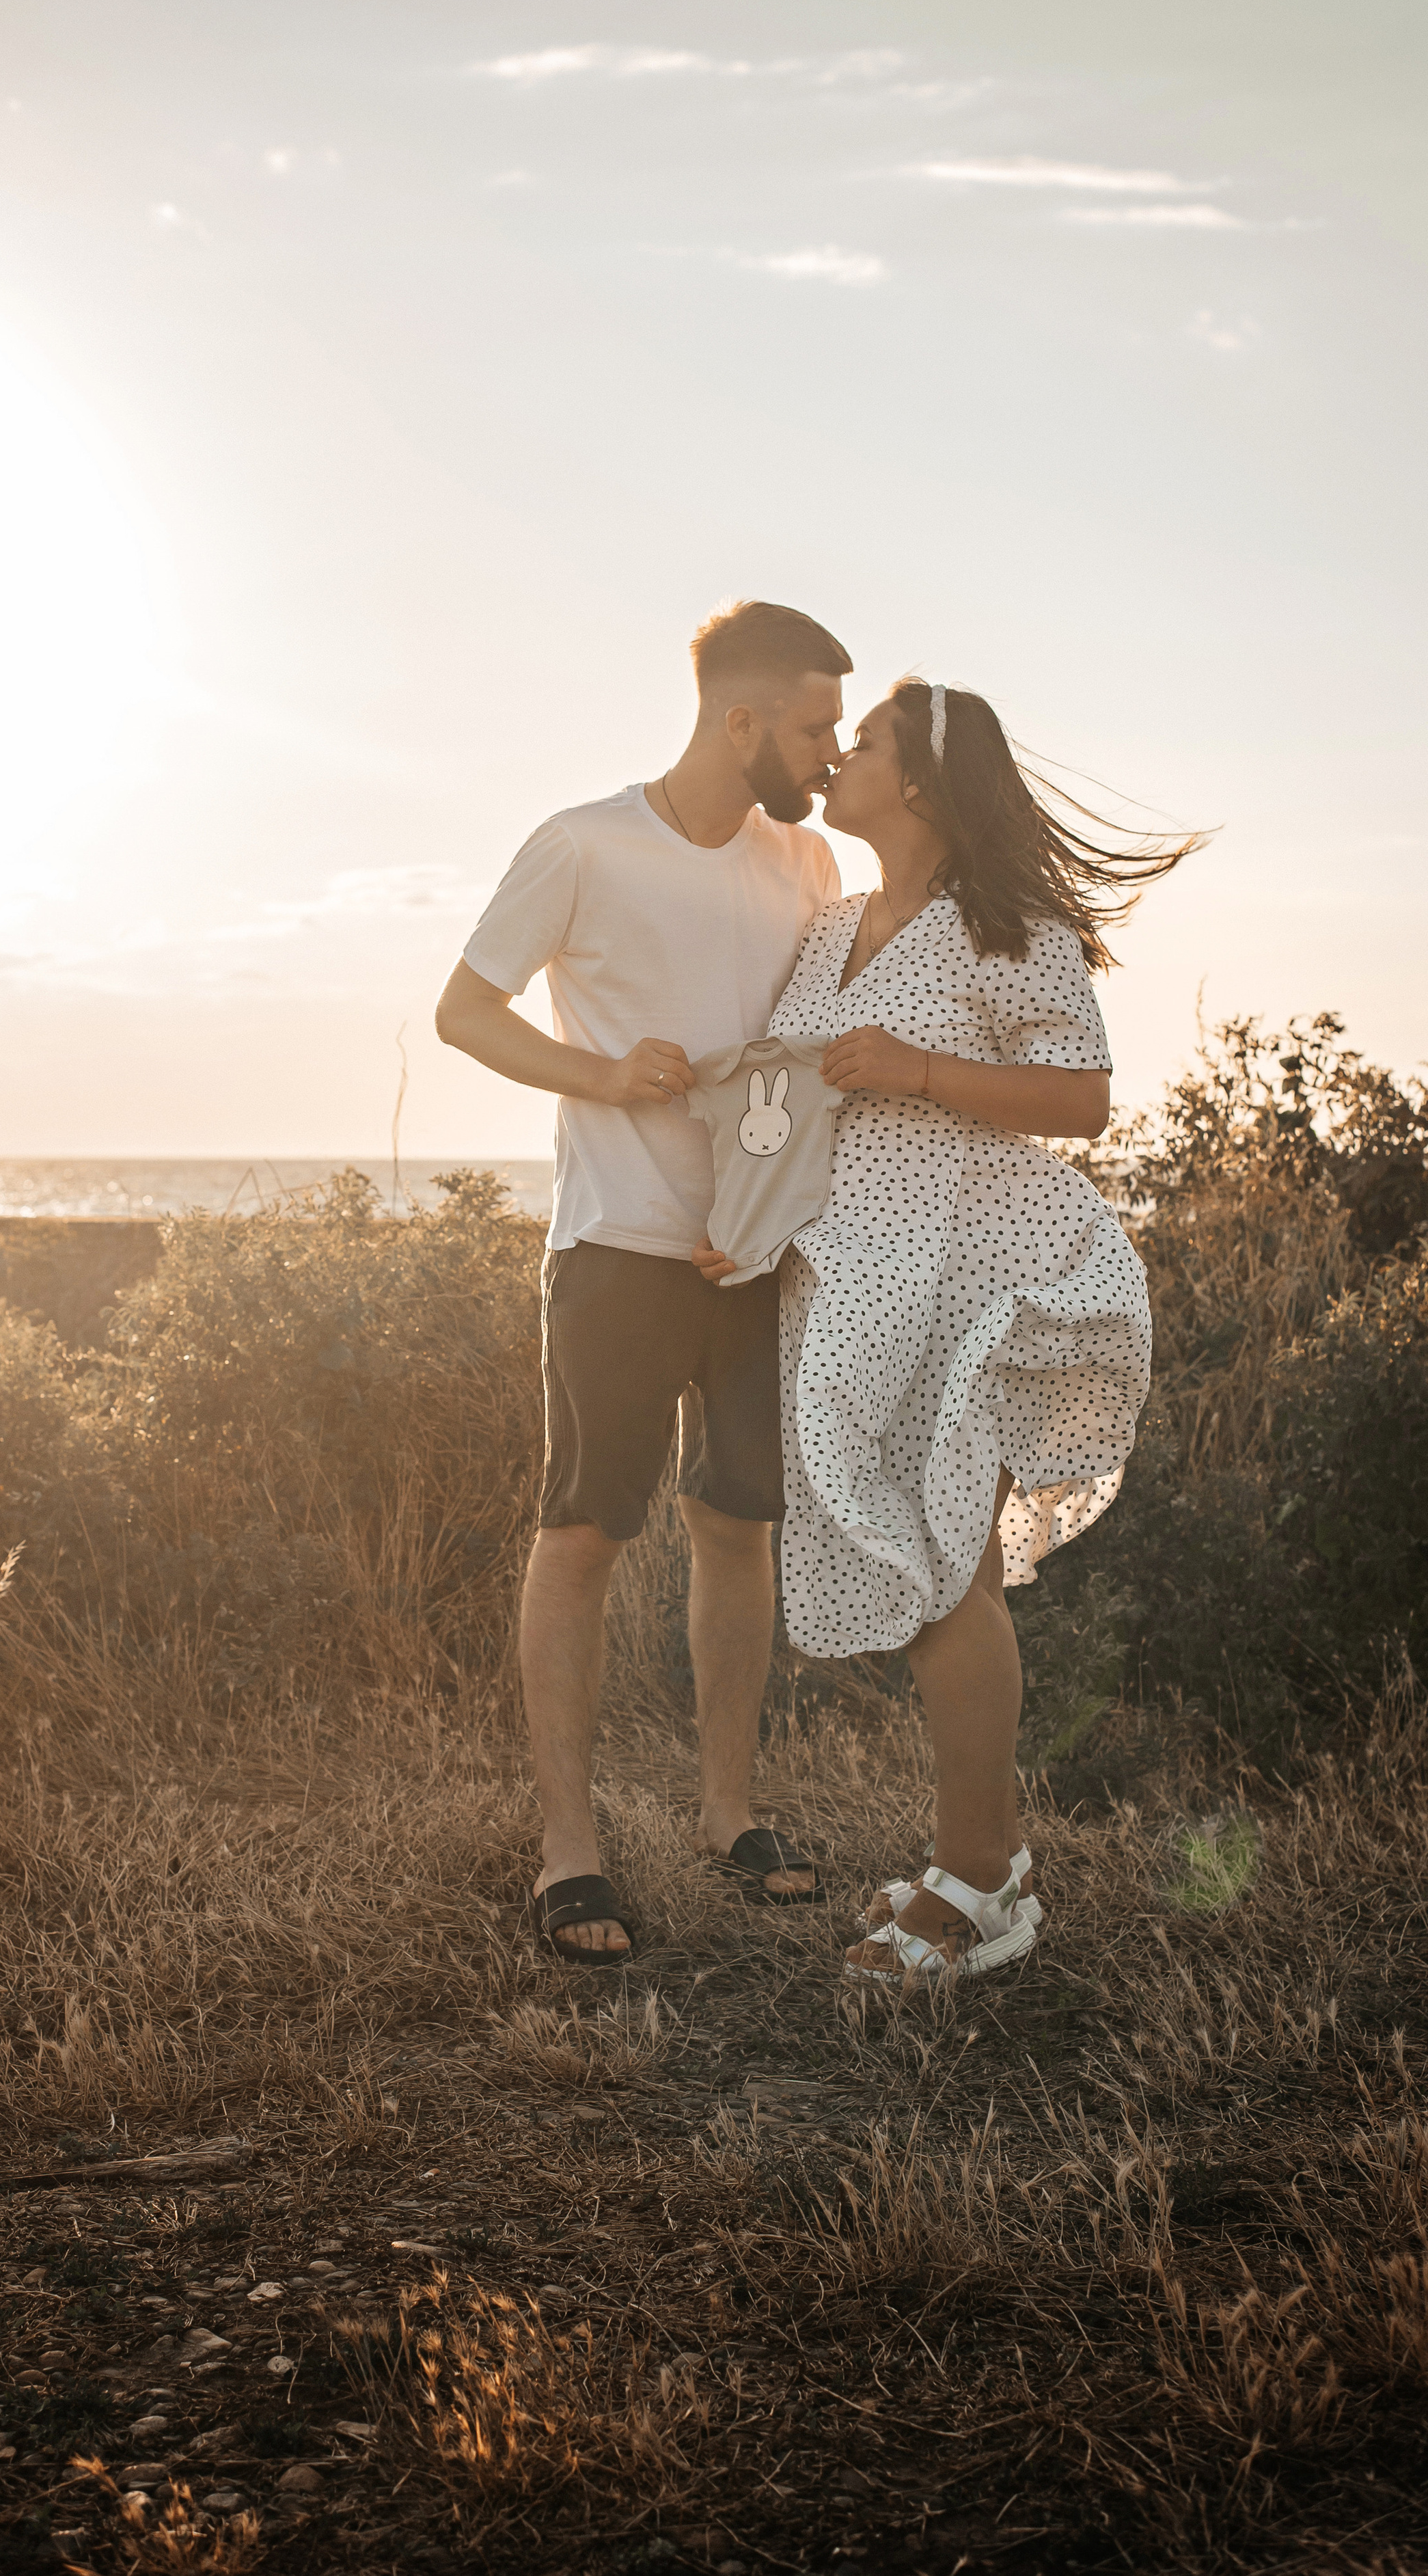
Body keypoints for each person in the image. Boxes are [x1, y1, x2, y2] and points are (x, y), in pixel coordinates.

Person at [696, 677, 1198, 1982]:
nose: (839, 759)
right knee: (919, 1569)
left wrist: (913, 1068)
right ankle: (984, 1863)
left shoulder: (1008, 924)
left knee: (941, 1575)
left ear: (916, 781)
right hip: (855, 1281)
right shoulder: (836, 925)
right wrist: (741, 1226)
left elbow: (1083, 1097)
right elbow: (793, 1105)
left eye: (860, 745)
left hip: (981, 1278)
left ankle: (984, 1885)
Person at [436, 600, 853, 1962]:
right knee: (583, 1533)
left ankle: (728, 1813)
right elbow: (466, 1009)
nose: (828, 750)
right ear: (739, 721)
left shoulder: (808, 863)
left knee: (737, 1525)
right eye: (810, 724)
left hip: (753, 1255)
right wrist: (599, 1074)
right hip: (616, 1246)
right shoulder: (580, 844)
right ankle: (570, 1853)